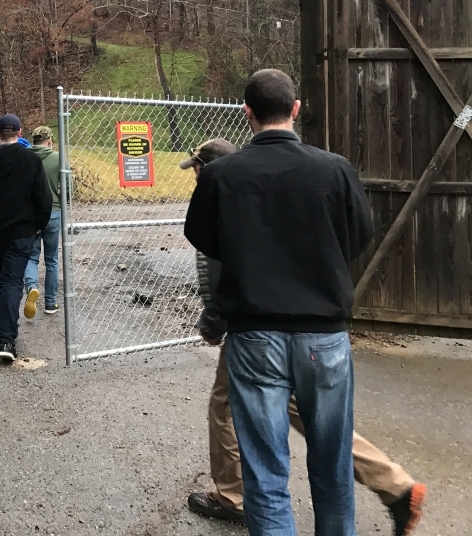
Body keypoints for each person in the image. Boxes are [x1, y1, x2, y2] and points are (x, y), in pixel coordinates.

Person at [182, 138, 427, 536]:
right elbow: (354, 236)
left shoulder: (223, 193)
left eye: (197, 168)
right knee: (317, 423)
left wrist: (214, 321)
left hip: (253, 328)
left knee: (227, 411)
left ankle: (232, 496)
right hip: (314, 330)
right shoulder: (315, 175)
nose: (195, 174)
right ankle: (395, 484)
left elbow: (223, 276)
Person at [184, 69, 374, 536]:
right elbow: (358, 236)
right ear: (296, 109)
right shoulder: (335, 169)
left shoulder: (222, 176)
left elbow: (203, 238)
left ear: (247, 114)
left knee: (265, 476)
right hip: (324, 339)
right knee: (331, 466)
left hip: (253, 337)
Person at [0, 114, 52, 363]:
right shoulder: (30, 160)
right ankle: (7, 338)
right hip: (22, 230)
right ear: (20, 132)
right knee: (11, 280)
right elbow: (42, 197)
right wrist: (38, 225)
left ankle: (7, 324)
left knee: (4, 275)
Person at [22, 126, 61, 317]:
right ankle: (51, 302)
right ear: (49, 140)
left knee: (31, 256)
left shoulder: (24, 157)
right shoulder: (57, 159)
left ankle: (31, 286)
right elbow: (68, 188)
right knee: (52, 259)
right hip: (53, 211)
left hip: (31, 214)